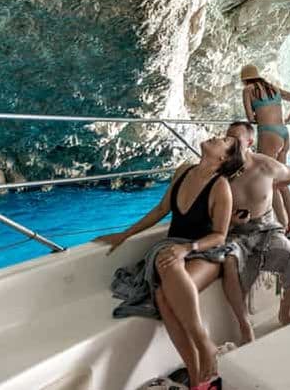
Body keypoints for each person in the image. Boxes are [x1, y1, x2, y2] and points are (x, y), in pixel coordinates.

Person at [95, 135, 244, 390]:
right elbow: (161, 209)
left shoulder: (221, 187)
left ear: (224, 158)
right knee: (164, 295)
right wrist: (125, 234)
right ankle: (199, 378)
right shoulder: (183, 171)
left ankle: (204, 345)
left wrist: (188, 248)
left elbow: (220, 235)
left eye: (223, 140)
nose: (216, 136)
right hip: (175, 247)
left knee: (170, 264)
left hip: (205, 252)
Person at [223, 121, 290, 343]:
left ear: (249, 142)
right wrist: (230, 220)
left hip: (266, 227)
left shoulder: (265, 164)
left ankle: (284, 312)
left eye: (235, 138)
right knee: (229, 261)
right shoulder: (224, 169)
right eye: (227, 137)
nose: (229, 142)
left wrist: (271, 189)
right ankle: (244, 323)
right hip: (235, 231)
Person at [240, 64, 290, 237]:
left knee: (271, 183)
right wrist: (288, 118)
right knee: (283, 182)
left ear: (245, 79)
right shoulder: (273, 88)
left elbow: (249, 117)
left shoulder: (248, 90)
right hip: (284, 133)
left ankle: (281, 228)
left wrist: (257, 115)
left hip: (268, 134)